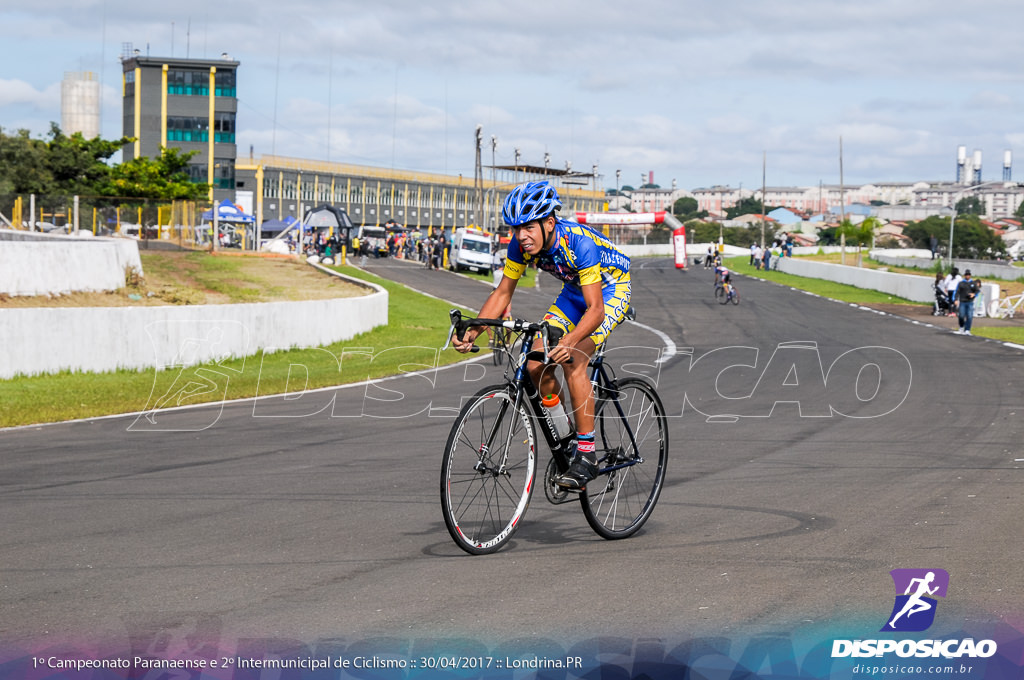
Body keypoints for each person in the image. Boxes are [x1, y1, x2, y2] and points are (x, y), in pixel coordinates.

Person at [451, 181, 631, 491]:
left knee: (573, 360)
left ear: (549, 223)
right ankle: (569, 439)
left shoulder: (578, 243)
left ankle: (586, 455)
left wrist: (571, 341)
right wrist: (475, 328)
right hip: (574, 292)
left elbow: (596, 310)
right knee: (535, 365)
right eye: (516, 228)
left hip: (610, 290)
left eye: (528, 227)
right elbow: (503, 292)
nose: (521, 235)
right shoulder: (519, 245)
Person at [955, 270, 979, 335]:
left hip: (970, 301)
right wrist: (956, 299)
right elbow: (957, 291)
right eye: (966, 275)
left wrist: (974, 294)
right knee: (961, 316)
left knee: (969, 316)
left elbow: (977, 290)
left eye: (968, 275)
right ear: (965, 275)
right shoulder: (961, 283)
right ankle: (961, 327)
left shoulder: (973, 283)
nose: (967, 276)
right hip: (962, 301)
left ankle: (967, 329)